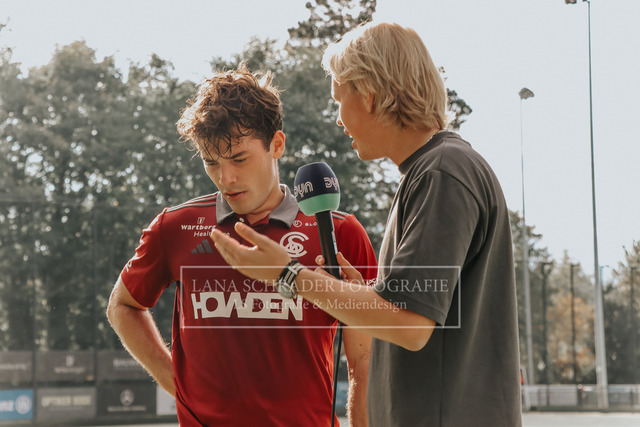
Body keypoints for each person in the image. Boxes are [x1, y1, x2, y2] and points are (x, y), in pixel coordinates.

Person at [210, 22, 522, 426]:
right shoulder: (435, 169)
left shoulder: (442, 172)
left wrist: (287, 274)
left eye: (339, 100)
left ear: (369, 95)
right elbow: (408, 313)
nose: (339, 120)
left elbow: (410, 325)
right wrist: (363, 295)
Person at [106, 64, 378, 426]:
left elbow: (365, 360)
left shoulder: (340, 232)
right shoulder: (175, 226)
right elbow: (122, 306)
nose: (226, 178)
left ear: (276, 145)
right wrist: (179, 385)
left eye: (239, 159)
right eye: (211, 162)